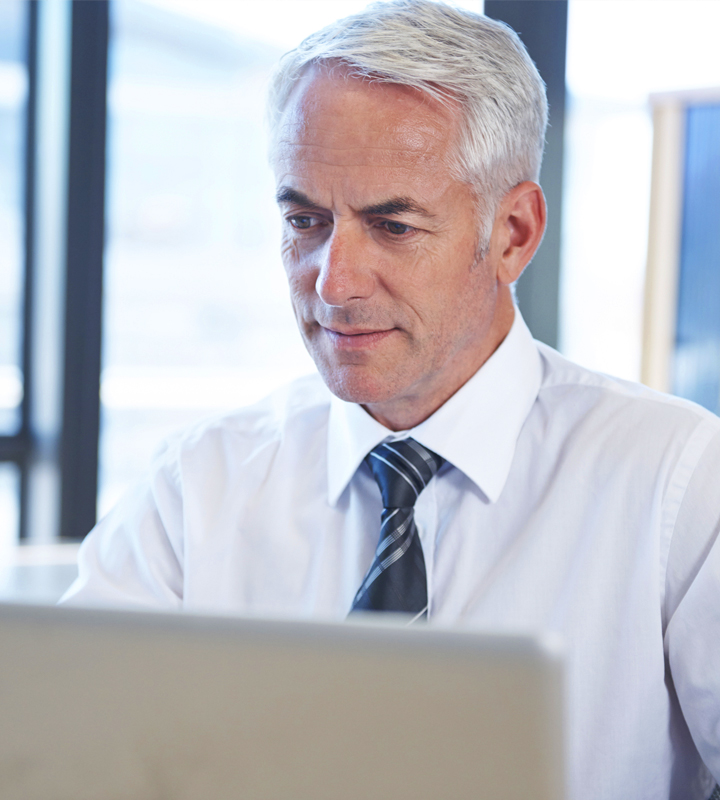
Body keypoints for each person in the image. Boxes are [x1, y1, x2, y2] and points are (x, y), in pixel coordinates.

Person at [61, 1, 720, 797]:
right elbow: (65, 758)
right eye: (304, 220)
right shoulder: (200, 485)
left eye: (394, 226)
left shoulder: (678, 482)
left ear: (512, 232)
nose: (332, 283)